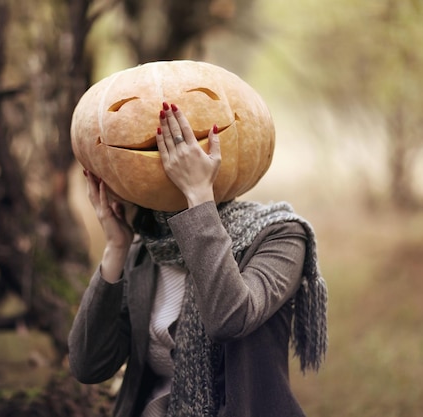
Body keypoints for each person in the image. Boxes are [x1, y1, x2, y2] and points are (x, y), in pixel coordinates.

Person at [68, 102, 328, 417]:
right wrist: (116, 247)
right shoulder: (146, 251)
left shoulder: (279, 235)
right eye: (155, 147)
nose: (168, 157)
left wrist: (198, 196)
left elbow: (231, 319)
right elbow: (88, 365)